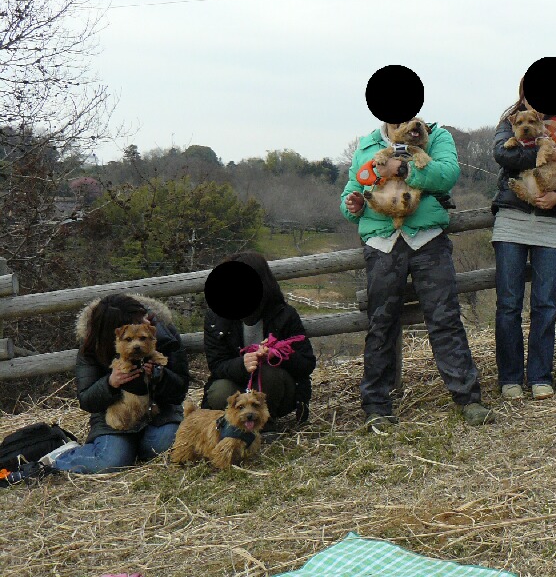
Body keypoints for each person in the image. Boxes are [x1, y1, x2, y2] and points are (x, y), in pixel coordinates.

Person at [341, 118, 494, 431]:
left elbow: (447, 175)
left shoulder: (436, 136)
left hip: (428, 238)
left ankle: (468, 398)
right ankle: (376, 406)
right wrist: (352, 205)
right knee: (381, 324)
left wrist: (400, 169)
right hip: (381, 242)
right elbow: (352, 190)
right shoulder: (366, 145)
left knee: (445, 318)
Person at [491, 79, 556, 399]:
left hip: (550, 225)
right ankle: (510, 378)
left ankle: (540, 376)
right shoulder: (508, 123)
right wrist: (554, 153)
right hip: (511, 222)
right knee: (508, 304)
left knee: (545, 304)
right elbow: (504, 156)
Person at [49, 293, 189, 474]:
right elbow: (86, 400)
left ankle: (134, 449)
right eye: (131, 335)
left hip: (160, 414)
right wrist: (109, 383)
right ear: (115, 333)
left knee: (166, 446)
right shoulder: (93, 345)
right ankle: (61, 457)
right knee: (111, 461)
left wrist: (161, 377)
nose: (145, 322)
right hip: (116, 420)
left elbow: (180, 390)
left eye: (143, 318)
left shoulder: (164, 333)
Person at [202, 251, 316, 424]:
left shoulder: (285, 315)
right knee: (219, 391)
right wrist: (242, 364)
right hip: (238, 386)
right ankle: (235, 425)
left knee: (267, 373)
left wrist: (277, 355)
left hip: (278, 390)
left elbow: (307, 363)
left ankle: (266, 423)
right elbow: (216, 365)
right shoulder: (215, 319)